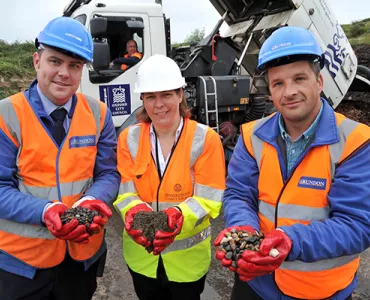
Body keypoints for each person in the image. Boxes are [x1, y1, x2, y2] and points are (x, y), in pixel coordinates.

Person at [215, 26, 370, 300]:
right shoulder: (252, 136)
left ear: (319, 81)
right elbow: (239, 195)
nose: (289, 92)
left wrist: (290, 241)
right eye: (278, 83)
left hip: (320, 291)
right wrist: (244, 230)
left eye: (299, 78)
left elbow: (356, 224)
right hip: (256, 283)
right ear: (270, 91)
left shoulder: (356, 142)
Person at [0, 17, 120, 299]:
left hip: (81, 259)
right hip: (22, 264)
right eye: (55, 61)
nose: (64, 73)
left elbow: (109, 174)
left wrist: (93, 200)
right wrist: (44, 212)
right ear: (36, 61)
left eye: (74, 65)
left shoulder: (99, 114)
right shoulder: (7, 116)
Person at [113, 54, 225, 300]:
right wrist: (135, 213)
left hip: (187, 263)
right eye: (151, 97)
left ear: (180, 95)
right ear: (142, 99)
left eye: (166, 95)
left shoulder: (205, 139)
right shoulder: (129, 139)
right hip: (142, 258)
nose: (159, 104)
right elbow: (125, 192)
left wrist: (176, 217)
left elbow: (209, 199)